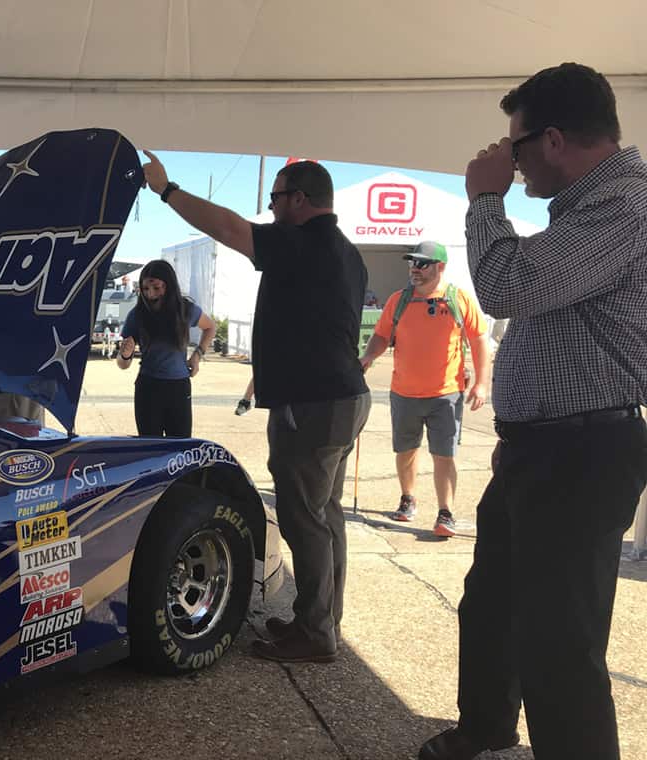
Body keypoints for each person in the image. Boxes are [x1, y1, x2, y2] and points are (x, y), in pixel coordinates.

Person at [418, 63, 647, 760]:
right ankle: (485, 728)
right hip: (545, 452)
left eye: (513, 150)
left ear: (551, 140)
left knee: (560, 647)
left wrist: (484, 200)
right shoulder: (586, 213)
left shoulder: (626, 207)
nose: (509, 166)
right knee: (492, 607)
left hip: (581, 454)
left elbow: (504, 284)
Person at [142, 154, 370, 664]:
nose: (270, 211)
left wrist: (167, 190)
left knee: (303, 517)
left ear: (300, 200)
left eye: (275, 199)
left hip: (312, 403)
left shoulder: (303, 241)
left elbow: (228, 226)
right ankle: (321, 619)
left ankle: (316, 634)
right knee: (324, 514)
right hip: (342, 397)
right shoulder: (344, 252)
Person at [358, 241, 490, 538]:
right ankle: (408, 497)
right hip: (404, 391)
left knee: (444, 454)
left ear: (440, 267)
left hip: (446, 393)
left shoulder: (458, 299)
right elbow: (380, 335)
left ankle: (446, 512)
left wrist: (481, 383)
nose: (414, 269)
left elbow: (480, 339)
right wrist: (368, 356)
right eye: (412, 263)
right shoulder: (399, 300)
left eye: (422, 264)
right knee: (406, 450)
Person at [115, 259, 215, 438]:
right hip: (148, 388)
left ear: (169, 286)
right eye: (145, 289)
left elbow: (210, 327)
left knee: (180, 450)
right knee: (150, 449)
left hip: (178, 387)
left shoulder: (186, 310)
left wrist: (197, 355)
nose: (151, 294)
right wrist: (125, 354)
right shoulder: (137, 315)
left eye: (157, 288)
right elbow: (122, 365)